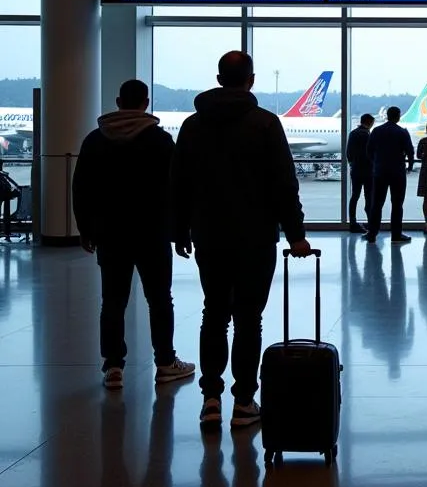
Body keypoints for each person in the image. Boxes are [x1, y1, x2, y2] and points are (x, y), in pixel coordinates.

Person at [172, 51, 311, 430]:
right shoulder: (266, 124)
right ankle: (245, 402)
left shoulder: (191, 126)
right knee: (248, 318)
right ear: (251, 80)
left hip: (209, 236)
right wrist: (296, 235)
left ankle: (211, 399)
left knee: (213, 314)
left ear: (219, 78)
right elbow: (284, 184)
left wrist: (180, 229)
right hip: (255, 238)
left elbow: (179, 185)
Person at [72, 79, 194, 390]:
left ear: (117, 101)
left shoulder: (95, 141)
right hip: (152, 233)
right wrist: (181, 231)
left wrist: (85, 228)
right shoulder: (161, 142)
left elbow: (81, 189)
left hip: (110, 234)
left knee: (112, 301)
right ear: (146, 102)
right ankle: (166, 362)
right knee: (160, 300)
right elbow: (179, 190)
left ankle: (113, 366)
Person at [365, 105, 414, 244]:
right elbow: (410, 151)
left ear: (387, 115)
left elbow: (368, 150)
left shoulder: (376, 131)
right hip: (397, 172)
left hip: (380, 172)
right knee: (397, 204)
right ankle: (396, 235)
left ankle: (372, 234)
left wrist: (376, 163)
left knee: (376, 204)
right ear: (398, 116)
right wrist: (409, 166)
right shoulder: (402, 132)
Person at [345, 112, 375, 234]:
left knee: (354, 196)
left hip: (356, 169)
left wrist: (352, 164)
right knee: (369, 197)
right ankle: (371, 223)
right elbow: (372, 152)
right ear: (369, 122)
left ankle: (353, 222)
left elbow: (348, 153)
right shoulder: (368, 135)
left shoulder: (353, 133)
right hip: (368, 171)